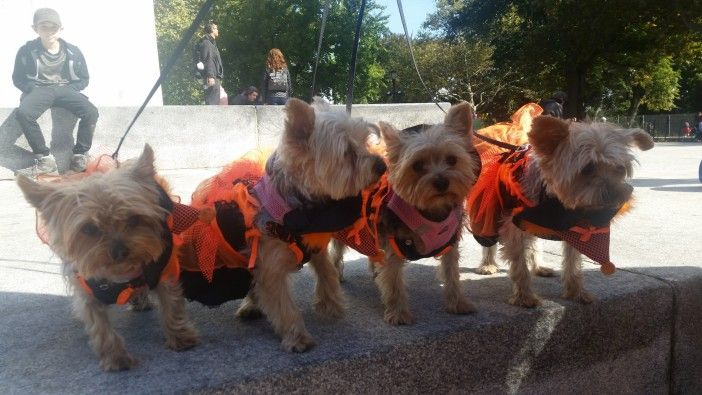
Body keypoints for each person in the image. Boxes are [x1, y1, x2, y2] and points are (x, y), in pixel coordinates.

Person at [13, 8, 99, 176]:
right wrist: (32, 90)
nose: (49, 31)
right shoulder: (26, 50)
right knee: (23, 113)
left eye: (54, 27)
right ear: (35, 29)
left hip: (66, 89)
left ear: (61, 29)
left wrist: (70, 89)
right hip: (40, 89)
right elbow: (17, 78)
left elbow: (84, 78)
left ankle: (80, 155)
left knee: (91, 112)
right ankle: (45, 158)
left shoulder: (73, 51)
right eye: (44, 26)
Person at [198, 21, 226, 105]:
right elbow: (208, 59)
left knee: (214, 102)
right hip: (212, 77)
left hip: (214, 76)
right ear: (212, 29)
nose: (218, 31)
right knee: (212, 103)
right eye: (216, 28)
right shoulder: (207, 43)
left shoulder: (211, 43)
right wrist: (210, 76)